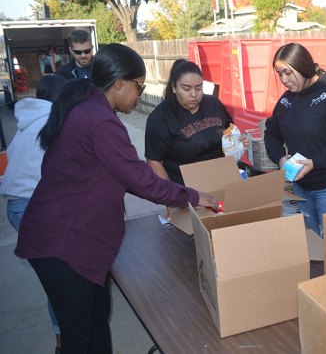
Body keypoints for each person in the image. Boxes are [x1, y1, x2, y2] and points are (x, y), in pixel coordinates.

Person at [14, 44, 219, 354]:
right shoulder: (99, 120)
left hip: (65, 239)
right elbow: (140, 178)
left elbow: (119, 177)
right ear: (120, 83)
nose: (139, 96)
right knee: (80, 337)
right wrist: (192, 195)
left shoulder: (87, 109)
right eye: (139, 86)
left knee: (96, 321)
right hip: (62, 244)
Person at [264, 43, 326, 239]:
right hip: (302, 185)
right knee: (311, 239)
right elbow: (271, 133)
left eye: (287, 73)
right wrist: (280, 159)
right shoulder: (287, 101)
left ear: (303, 67)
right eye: (279, 74)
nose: (283, 80)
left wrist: (315, 162)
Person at [0, 74, 67, 352]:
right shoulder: (56, 123)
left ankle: (62, 340)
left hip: (17, 207)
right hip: (35, 208)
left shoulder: (27, 125)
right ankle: (64, 342)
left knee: (59, 278)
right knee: (64, 282)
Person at [145, 59, 248, 186]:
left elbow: (229, 132)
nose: (194, 94)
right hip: (186, 190)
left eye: (199, 88)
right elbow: (154, 162)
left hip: (223, 180)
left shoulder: (214, 104)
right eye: (186, 89)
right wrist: (172, 198)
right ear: (174, 87)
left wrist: (238, 142)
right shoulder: (160, 118)